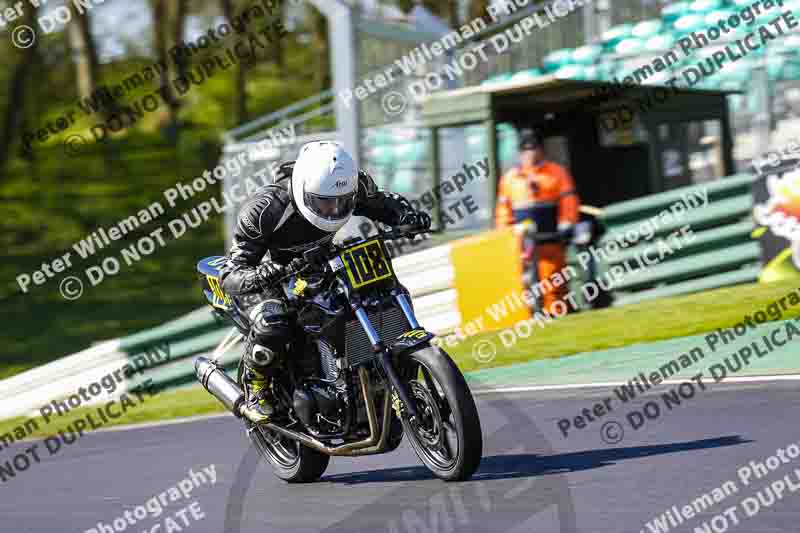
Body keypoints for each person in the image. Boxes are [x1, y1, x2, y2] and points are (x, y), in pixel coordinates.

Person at [219, 141, 431, 422]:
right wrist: (263, 273)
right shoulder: (264, 210)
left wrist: (407, 217)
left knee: (377, 296)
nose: (333, 209)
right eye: (324, 202)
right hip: (271, 275)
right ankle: (257, 389)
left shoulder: (352, 186)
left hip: (318, 262)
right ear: (303, 190)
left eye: (342, 202)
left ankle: (373, 375)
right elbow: (231, 272)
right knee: (273, 322)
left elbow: (384, 204)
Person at [495, 129, 580, 314]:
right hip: (522, 245)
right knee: (523, 283)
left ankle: (556, 314)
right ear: (519, 153)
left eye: (533, 148)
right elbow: (503, 210)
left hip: (551, 240)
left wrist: (566, 224)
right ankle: (530, 317)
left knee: (553, 279)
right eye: (525, 150)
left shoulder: (556, 172)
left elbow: (569, 202)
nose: (529, 154)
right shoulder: (510, 179)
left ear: (541, 150)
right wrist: (504, 235)